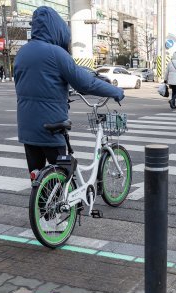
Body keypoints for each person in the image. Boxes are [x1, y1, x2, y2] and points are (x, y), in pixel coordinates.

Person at [14, 6, 123, 174]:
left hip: (27, 127)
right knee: (62, 178)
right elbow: (86, 84)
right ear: (57, 28)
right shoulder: (57, 53)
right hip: (50, 127)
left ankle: (40, 199)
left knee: (38, 178)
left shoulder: (22, 53)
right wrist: (114, 91)